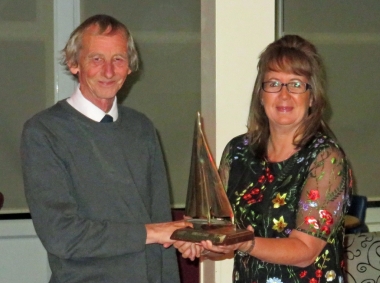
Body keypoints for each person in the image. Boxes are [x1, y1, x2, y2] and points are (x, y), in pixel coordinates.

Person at [20, 14, 189, 283]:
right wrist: (154, 232)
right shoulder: (44, 132)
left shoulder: (142, 128)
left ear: (130, 67)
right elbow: (62, 236)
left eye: (118, 59)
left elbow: (161, 222)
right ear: (74, 63)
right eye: (96, 59)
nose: (108, 71)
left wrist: (176, 237)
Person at [176, 35, 353, 283]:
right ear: (261, 94)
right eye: (273, 83)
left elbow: (305, 251)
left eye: (296, 84)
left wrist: (246, 243)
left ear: (312, 97)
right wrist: (202, 244)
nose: (283, 94)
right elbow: (223, 231)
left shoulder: (326, 159)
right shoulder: (237, 151)